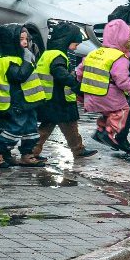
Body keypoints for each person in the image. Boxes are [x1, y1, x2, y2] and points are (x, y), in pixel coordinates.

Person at [25, 25, 95, 162]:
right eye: (75, 44)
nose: (75, 48)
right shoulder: (58, 56)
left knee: (62, 126)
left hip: (50, 98)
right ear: (66, 40)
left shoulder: (47, 54)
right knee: (57, 127)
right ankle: (32, 152)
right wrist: (75, 84)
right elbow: (60, 73)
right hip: (58, 99)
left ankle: (77, 149)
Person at [0, 24, 36, 167]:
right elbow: (19, 76)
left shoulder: (13, 57)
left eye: (26, 39)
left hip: (23, 101)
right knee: (13, 131)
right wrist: (28, 61)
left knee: (28, 128)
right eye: (21, 39)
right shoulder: (8, 60)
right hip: (11, 103)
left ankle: (17, 153)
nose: (25, 42)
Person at [78, 20, 130, 150]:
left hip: (90, 93)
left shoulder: (95, 52)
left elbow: (79, 71)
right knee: (123, 110)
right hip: (107, 92)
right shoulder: (118, 57)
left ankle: (101, 129)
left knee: (108, 112)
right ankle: (108, 131)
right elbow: (122, 80)